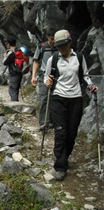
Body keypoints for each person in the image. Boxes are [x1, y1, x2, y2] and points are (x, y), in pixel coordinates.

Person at [44, 29, 98, 181]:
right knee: (60, 132)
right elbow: (47, 77)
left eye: (63, 45)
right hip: (58, 98)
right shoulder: (53, 59)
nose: (61, 48)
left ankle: (64, 157)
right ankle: (60, 166)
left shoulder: (79, 58)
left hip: (76, 98)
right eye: (58, 46)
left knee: (71, 133)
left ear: (70, 43)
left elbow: (85, 75)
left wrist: (91, 85)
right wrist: (47, 82)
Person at [31, 28, 57, 130]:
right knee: (44, 98)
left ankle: (52, 121)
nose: (53, 41)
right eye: (51, 39)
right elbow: (36, 61)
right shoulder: (41, 47)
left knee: (54, 98)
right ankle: (43, 122)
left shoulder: (59, 47)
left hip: (56, 76)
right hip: (43, 75)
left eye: (55, 39)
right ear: (47, 38)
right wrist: (34, 76)